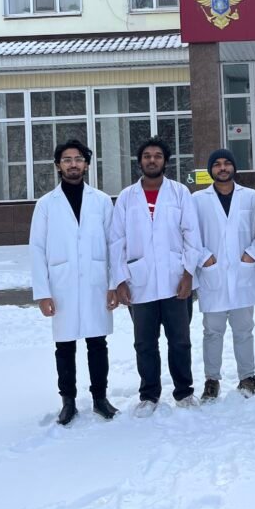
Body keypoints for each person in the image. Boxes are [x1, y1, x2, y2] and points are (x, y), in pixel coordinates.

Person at [109, 136, 202, 416]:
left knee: (180, 340)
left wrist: (188, 273)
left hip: (176, 281)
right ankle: (149, 395)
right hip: (141, 282)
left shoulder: (179, 193)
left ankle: (184, 392)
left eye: (157, 156)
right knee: (144, 343)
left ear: (165, 161)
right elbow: (116, 240)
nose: (152, 160)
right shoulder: (127, 197)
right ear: (140, 162)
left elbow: (192, 234)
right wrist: (120, 280)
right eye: (147, 156)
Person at [29, 139, 119, 426]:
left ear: (87, 164)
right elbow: (37, 249)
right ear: (58, 165)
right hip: (62, 283)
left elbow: (113, 244)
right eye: (66, 159)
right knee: (65, 346)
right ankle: (67, 401)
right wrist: (43, 293)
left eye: (78, 159)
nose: (73, 164)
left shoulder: (102, 201)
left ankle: (100, 399)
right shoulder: (46, 205)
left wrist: (114, 284)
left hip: (95, 282)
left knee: (97, 343)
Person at [193, 148, 255, 402]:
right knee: (212, 331)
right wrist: (205, 257)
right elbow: (189, 234)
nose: (222, 168)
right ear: (210, 169)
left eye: (227, 163)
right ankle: (211, 380)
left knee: (244, 329)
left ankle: (248, 377)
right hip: (212, 274)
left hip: (243, 271)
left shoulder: (252, 197)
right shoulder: (198, 200)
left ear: (234, 167)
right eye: (217, 164)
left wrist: (252, 254)